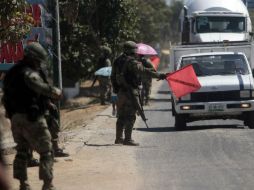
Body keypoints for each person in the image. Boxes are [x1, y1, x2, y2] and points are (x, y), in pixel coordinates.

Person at [2, 42, 61, 190]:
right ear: (33, 58)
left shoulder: (11, 73)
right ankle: (48, 184)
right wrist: (56, 92)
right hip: (32, 118)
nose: (39, 63)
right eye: (38, 60)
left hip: (15, 119)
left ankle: (23, 184)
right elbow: (43, 89)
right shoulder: (29, 73)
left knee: (22, 152)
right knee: (46, 151)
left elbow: (5, 98)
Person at [111, 41, 166, 146]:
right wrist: (159, 75)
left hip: (121, 92)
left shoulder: (117, 60)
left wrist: (116, 89)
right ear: (132, 51)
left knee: (121, 115)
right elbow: (144, 71)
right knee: (131, 116)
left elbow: (112, 76)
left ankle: (118, 138)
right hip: (131, 92)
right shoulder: (132, 62)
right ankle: (128, 139)